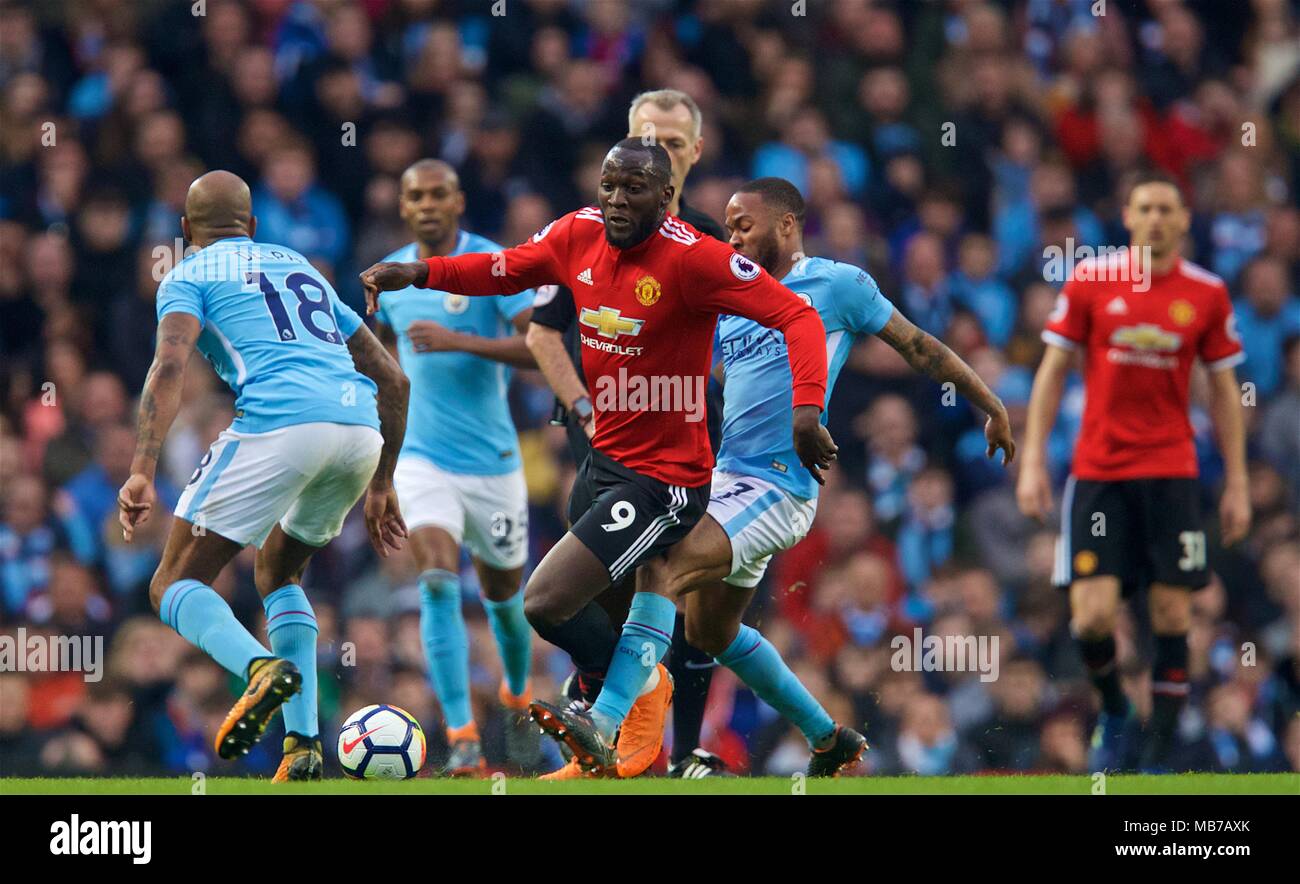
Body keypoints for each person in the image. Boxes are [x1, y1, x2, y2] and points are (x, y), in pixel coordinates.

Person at [360, 139, 833, 780]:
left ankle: (638, 697)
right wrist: (420, 274)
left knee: (545, 603)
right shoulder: (576, 233)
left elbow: (799, 316)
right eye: (609, 184)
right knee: (607, 619)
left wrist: (806, 411)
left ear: (666, 198)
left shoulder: (697, 259)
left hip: (666, 480)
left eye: (633, 187)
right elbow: (502, 269)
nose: (615, 199)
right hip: (602, 463)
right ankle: (623, 747)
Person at [530, 177, 1015, 777]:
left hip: (778, 487)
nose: (732, 236)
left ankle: (603, 725)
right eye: (728, 226)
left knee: (661, 564)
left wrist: (989, 403)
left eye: (743, 225)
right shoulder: (733, 296)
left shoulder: (838, 285)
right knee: (710, 631)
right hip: (727, 480)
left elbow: (917, 346)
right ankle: (828, 738)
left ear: (787, 225)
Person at [117, 171, 410, 782]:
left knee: (171, 583)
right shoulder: (300, 266)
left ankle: (258, 667)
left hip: (281, 426)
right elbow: (394, 379)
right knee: (277, 569)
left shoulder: (187, 275)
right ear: (252, 227)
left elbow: (169, 365)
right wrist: (382, 483)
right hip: (359, 431)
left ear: (186, 231)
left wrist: (143, 468)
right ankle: (302, 746)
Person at [524, 89, 731, 778]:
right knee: (593, 597)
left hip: (681, 449)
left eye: (673, 142)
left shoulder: (708, 240)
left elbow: (756, 333)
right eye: (647, 136)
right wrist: (579, 404)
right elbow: (541, 330)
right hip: (600, 441)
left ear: (692, 154)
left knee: (675, 591)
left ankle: (673, 745)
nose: (659, 148)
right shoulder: (588, 229)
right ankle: (619, 727)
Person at [1016, 171, 1250, 772]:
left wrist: (1239, 484)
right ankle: (1116, 703)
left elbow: (1225, 392)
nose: (1154, 218)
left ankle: (1162, 748)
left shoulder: (1206, 293)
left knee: (1174, 614)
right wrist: (1034, 460)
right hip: (1100, 473)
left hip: (1173, 471)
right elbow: (1052, 370)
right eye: (1144, 207)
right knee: (1092, 616)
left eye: (1166, 209)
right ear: (1127, 216)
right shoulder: (1092, 280)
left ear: (1182, 221)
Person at [372, 159, 539, 775]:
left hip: (494, 466)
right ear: (403, 204)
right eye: (415, 195)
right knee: (437, 580)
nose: (427, 204)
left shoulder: (496, 267)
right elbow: (380, 372)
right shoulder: (389, 277)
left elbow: (541, 350)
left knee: (505, 601)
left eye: (439, 193)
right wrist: (378, 468)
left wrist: (461, 340)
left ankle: (517, 698)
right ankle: (463, 736)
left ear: (459, 200)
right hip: (422, 460)